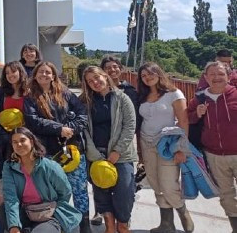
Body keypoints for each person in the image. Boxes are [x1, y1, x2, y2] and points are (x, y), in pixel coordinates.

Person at [23, 61, 90, 233]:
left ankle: (84, 224)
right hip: (48, 152)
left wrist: (71, 129)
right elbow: (33, 121)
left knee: (79, 190)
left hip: (73, 149)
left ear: (53, 75)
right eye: (40, 72)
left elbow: (82, 114)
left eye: (48, 72)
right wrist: (59, 129)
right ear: (35, 75)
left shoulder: (66, 93)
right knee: (55, 191)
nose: (44, 75)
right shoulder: (30, 97)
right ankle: (61, 223)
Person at [137, 62, 194, 233]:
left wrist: (181, 148)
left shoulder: (173, 94)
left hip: (167, 145)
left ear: (159, 73)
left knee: (169, 185)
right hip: (146, 145)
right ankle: (166, 224)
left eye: (150, 73)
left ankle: (182, 211)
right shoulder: (142, 96)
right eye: (143, 76)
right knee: (156, 184)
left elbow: (183, 122)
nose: (147, 77)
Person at [80, 66, 136, 233]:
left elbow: (130, 125)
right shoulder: (85, 101)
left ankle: (123, 224)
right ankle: (110, 226)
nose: (95, 82)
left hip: (121, 154)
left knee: (125, 192)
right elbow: (83, 129)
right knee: (101, 192)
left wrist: (117, 150)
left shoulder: (122, 98)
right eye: (90, 81)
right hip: (96, 154)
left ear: (104, 76)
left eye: (97, 78)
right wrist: (94, 154)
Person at [187, 61, 237, 231]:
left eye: (221, 74)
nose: (216, 78)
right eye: (212, 74)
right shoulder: (200, 98)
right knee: (226, 195)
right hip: (214, 155)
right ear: (206, 77)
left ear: (229, 76)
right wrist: (197, 114)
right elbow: (187, 118)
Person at [2, 127, 82, 233]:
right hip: (26, 212)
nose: (19, 145)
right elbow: (10, 197)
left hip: (51, 214)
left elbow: (65, 193)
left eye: (22, 140)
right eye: (15, 142)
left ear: (31, 141)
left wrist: (51, 210)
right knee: (3, 211)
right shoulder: (9, 167)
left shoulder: (49, 166)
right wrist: (14, 227)